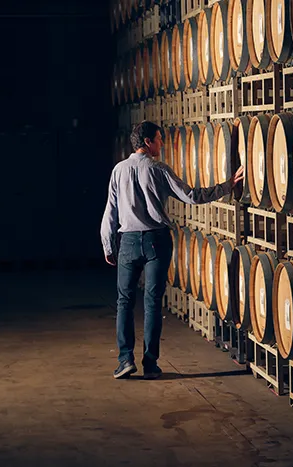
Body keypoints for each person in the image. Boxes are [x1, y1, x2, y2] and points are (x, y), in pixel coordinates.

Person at [101, 121, 244, 380]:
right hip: (156, 240)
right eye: (158, 139)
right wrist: (227, 185)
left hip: (128, 242)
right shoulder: (158, 169)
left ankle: (125, 360)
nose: (162, 143)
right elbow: (191, 196)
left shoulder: (118, 170)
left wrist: (108, 244)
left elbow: (110, 212)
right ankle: (151, 364)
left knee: (124, 301)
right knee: (152, 302)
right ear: (147, 142)